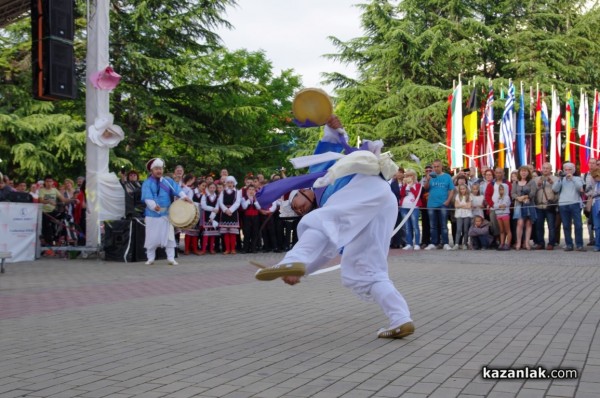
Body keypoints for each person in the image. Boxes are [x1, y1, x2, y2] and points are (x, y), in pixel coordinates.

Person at [253, 115, 414, 339]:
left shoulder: (321, 179)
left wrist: (334, 128)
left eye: (296, 205)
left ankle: (292, 259)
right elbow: (328, 247)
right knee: (366, 268)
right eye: (299, 212)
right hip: (382, 200)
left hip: (367, 187)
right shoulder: (329, 199)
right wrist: (303, 272)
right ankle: (401, 318)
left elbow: (337, 145)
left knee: (321, 222)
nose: (300, 210)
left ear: (299, 192)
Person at [141, 158, 192, 265]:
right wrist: (153, 206)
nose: (159, 171)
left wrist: (184, 197)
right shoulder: (147, 183)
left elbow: (177, 190)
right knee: (151, 237)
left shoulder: (167, 181)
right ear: (152, 170)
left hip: (166, 215)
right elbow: (147, 196)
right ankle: (150, 258)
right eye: (156, 169)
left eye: (160, 168)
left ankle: (171, 258)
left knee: (169, 237)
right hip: (152, 214)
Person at [552, 162, 585, 251]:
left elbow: (580, 188)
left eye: (569, 169)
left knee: (578, 225)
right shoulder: (561, 180)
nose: (567, 171)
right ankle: (569, 244)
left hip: (575, 203)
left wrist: (572, 179)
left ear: (573, 170)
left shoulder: (578, 178)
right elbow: (555, 189)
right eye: (565, 170)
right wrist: (559, 179)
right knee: (566, 225)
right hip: (563, 204)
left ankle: (579, 244)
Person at [423, 160, 455, 250]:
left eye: (438, 166)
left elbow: (452, 190)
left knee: (444, 225)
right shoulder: (431, 176)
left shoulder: (447, 176)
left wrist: (448, 201)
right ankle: (434, 243)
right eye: (434, 166)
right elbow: (425, 188)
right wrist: (427, 180)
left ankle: (445, 243)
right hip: (431, 204)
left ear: (441, 167)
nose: (436, 168)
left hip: (443, 204)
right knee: (433, 225)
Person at [533, 162, 558, 250]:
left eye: (547, 168)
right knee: (539, 226)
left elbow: (557, 191)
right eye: (543, 168)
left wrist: (552, 183)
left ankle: (551, 243)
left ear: (551, 169)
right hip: (539, 205)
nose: (545, 170)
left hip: (549, 206)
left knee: (551, 226)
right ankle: (540, 243)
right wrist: (538, 185)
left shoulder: (556, 179)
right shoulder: (536, 179)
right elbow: (533, 192)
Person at [512, 166, 537, 250]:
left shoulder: (532, 182)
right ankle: (518, 242)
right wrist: (518, 198)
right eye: (522, 171)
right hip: (519, 205)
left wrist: (526, 196)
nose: (523, 173)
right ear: (519, 172)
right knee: (520, 223)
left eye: (525, 171)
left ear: (528, 172)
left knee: (528, 223)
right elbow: (513, 193)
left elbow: (533, 192)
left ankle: (527, 243)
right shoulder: (515, 183)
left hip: (529, 204)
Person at [218, 175, 242, 254]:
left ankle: (233, 249)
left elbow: (238, 202)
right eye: (228, 182)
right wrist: (225, 210)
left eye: (231, 182)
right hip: (225, 213)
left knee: (233, 233)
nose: (230, 184)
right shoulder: (223, 192)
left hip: (233, 213)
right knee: (226, 233)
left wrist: (231, 210)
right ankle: (227, 249)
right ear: (226, 183)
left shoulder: (237, 192)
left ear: (234, 183)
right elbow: (220, 202)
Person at [399, 169, 422, 250]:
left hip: (414, 207)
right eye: (407, 175)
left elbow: (417, 195)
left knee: (415, 225)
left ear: (414, 176)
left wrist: (412, 187)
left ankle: (417, 243)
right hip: (404, 207)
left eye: (411, 175)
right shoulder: (405, 185)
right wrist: (404, 185)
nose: (409, 177)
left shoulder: (418, 185)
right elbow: (401, 194)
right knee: (407, 226)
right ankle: (409, 243)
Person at [199, 182, 220, 254]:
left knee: (212, 233)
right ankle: (203, 249)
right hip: (206, 215)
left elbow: (217, 206)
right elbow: (203, 206)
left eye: (214, 188)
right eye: (211, 187)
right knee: (206, 234)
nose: (212, 189)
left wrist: (213, 215)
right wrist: (212, 209)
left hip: (214, 216)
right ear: (208, 188)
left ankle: (211, 249)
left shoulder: (217, 197)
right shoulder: (204, 196)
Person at [389, 168, 406, 249]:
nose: (399, 174)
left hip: (404, 204)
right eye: (398, 172)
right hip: (396, 206)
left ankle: (404, 241)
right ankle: (395, 242)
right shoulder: (393, 184)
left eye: (401, 172)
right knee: (395, 224)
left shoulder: (406, 183)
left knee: (404, 225)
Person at [493, 184, 512, 250]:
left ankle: (508, 243)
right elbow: (495, 206)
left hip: (505, 214)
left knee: (507, 230)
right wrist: (499, 206)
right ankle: (502, 243)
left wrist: (499, 206)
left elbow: (505, 205)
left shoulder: (507, 197)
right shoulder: (497, 197)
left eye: (502, 189)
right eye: (500, 189)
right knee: (501, 230)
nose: (501, 191)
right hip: (498, 215)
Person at [454, 183, 473, 250]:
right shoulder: (457, 196)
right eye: (461, 189)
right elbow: (456, 205)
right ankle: (456, 244)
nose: (462, 190)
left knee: (465, 230)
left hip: (467, 214)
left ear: (466, 189)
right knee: (459, 229)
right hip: (459, 214)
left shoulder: (469, 196)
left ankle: (465, 243)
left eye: (463, 189)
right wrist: (464, 206)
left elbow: (469, 206)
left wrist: (460, 205)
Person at [588, 168, 600, 252]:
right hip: (595, 206)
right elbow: (587, 192)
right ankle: (597, 245)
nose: (595, 178)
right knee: (597, 227)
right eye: (594, 177)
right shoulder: (593, 184)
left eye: (596, 176)